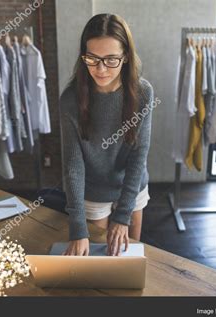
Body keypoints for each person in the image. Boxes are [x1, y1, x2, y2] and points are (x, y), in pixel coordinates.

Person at [59, 13, 155, 256]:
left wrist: (123, 215)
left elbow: (138, 155)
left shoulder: (143, 93)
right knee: (94, 261)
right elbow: (73, 165)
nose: (100, 69)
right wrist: (77, 227)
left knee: (128, 259)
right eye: (92, 58)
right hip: (93, 190)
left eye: (111, 59)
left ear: (126, 57)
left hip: (131, 187)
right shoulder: (70, 100)